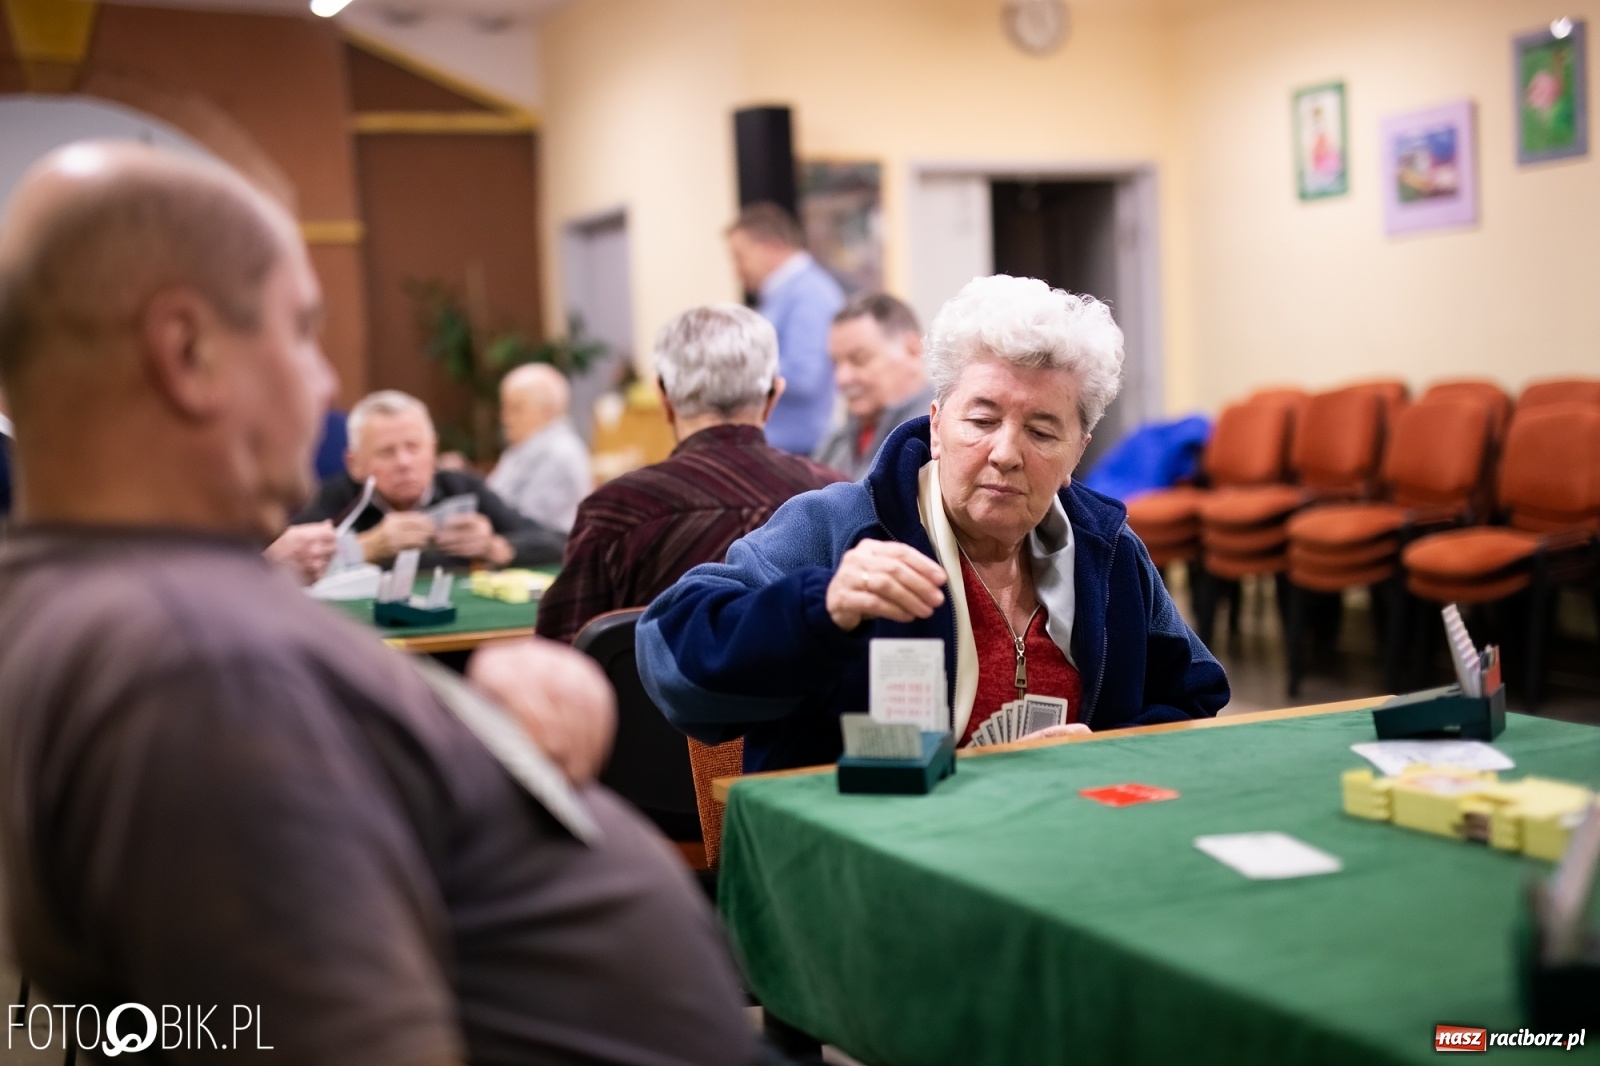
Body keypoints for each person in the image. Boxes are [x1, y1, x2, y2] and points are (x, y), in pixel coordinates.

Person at [0, 142, 767, 1065]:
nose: (324, 383)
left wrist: (479, 750)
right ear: (188, 352)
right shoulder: (198, 668)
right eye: (298, 332)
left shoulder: (92, 605)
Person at [637, 275, 1229, 774]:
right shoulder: (839, 527)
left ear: (1079, 451)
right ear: (938, 423)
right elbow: (669, 658)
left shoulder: (1110, 551)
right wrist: (819, 608)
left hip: (1062, 846)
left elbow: (1194, 692)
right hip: (867, 858)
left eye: (1043, 431)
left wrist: (1103, 754)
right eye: (982, 418)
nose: (1005, 452)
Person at [536, 304, 843, 645]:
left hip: (649, 701)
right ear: (773, 396)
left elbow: (560, 654)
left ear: (664, 398)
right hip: (809, 700)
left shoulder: (614, 510)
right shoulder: (836, 496)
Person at [295, 389, 566, 569]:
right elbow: (278, 567)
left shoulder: (461, 488)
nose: (404, 462)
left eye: (413, 447)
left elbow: (560, 543)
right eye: (386, 452)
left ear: (433, 450)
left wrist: (496, 548)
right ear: (355, 464)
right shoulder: (337, 499)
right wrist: (364, 548)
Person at [726, 202, 844, 456]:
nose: (737, 269)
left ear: (770, 248)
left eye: (740, 256)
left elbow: (804, 377)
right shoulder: (784, 294)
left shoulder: (810, 294)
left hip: (801, 450)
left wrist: (734, 367)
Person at [813, 292, 935, 481]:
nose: (841, 378)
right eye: (835, 363)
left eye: (860, 359)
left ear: (912, 351)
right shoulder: (836, 442)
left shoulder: (937, 440)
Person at [487, 362, 592, 533]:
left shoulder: (561, 454)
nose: (505, 418)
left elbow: (525, 522)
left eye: (516, 409)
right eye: (504, 408)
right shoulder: (520, 449)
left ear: (547, 410)